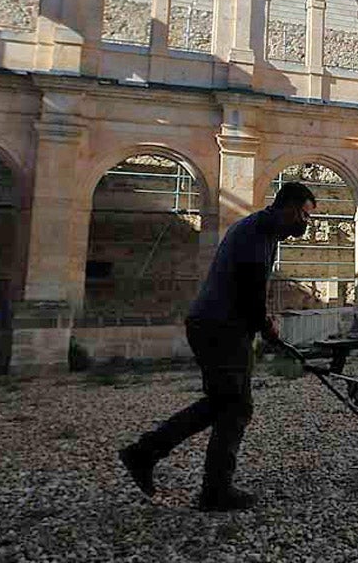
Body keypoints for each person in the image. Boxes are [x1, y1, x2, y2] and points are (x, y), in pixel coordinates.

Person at [119, 181, 317, 511]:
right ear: (290, 209)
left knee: (223, 403)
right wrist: (266, 325)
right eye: (305, 216)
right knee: (235, 406)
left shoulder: (262, 231)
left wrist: (262, 324)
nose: (306, 224)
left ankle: (151, 457)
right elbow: (250, 289)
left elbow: (251, 288)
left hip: (218, 325)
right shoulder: (257, 233)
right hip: (221, 327)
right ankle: (207, 487)